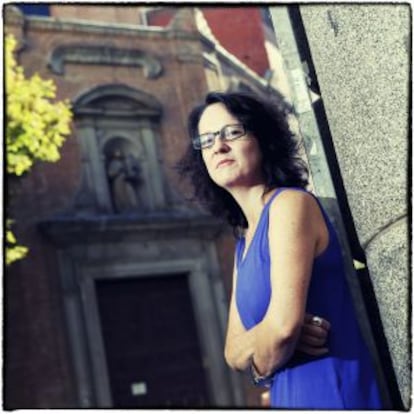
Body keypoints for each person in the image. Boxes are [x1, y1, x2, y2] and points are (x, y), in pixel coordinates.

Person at [178, 91, 382, 409]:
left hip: (332, 392)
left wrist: (272, 345)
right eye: (206, 140)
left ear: (262, 138)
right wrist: (271, 340)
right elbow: (231, 353)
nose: (218, 146)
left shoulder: (289, 205)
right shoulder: (243, 241)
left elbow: (284, 328)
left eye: (232, 132)